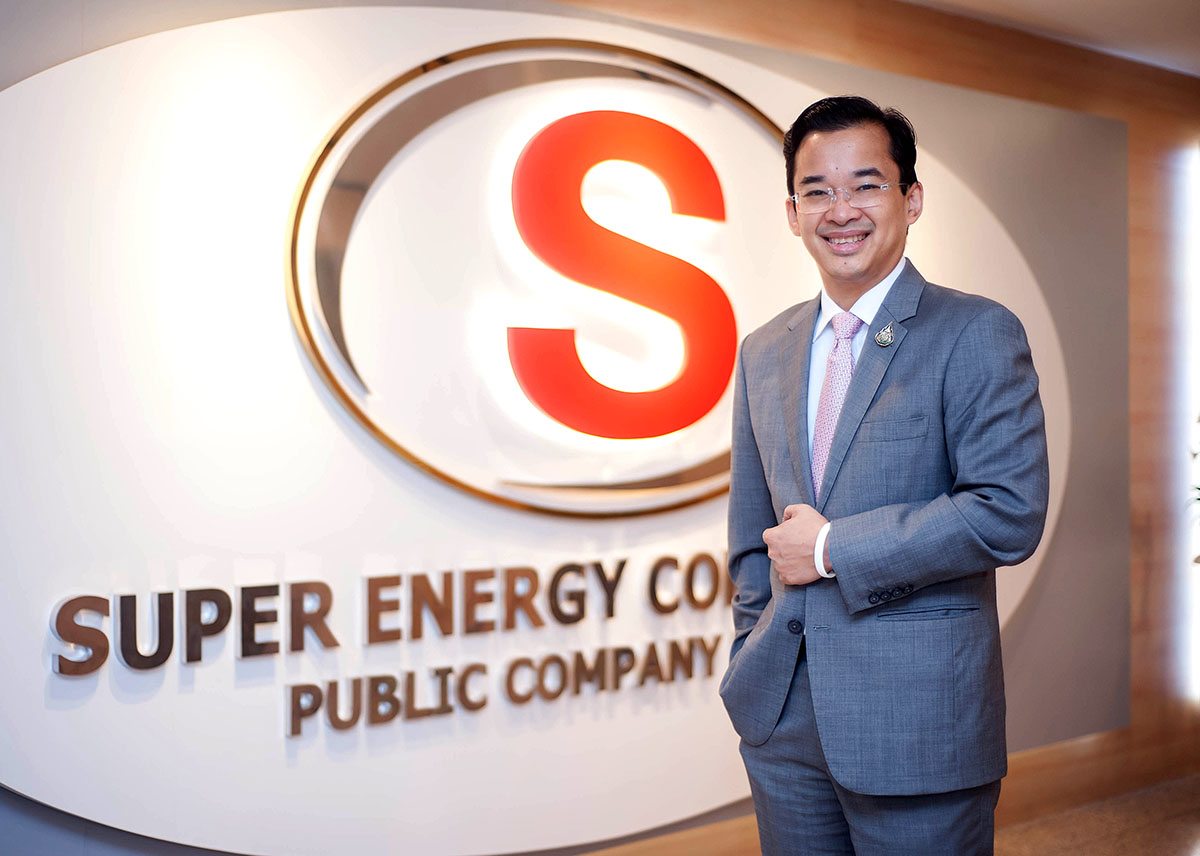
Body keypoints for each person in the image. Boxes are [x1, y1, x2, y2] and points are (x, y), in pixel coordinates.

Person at [719, 95, 1050, 855]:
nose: (842, 211)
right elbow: (750, 536)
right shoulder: (763, 350)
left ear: (912, 199)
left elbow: (1007, 511)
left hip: (918, 721)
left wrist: (831, 548)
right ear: (792, 213)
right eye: (818, 191)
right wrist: (750, 652)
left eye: (866, 185)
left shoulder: (975, 331)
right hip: (782, 723)